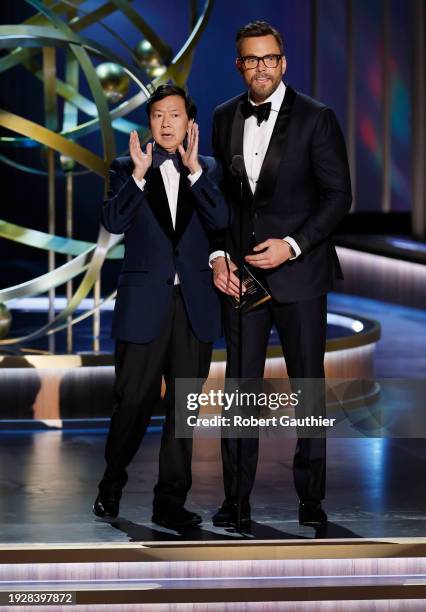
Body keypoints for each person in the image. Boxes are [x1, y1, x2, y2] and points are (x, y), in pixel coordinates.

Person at [210, 21, 352, 528]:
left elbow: (339, 197)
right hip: (244, 278)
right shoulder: (225, 116)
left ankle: (311, 498)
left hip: (301, 274)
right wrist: (218, 257)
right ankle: (236, 500)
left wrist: (292, 245)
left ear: (283, 63)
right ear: (239, 65)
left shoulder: (317, 118)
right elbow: (225, 203)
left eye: (270, 58)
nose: (262, 67)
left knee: (307, 389)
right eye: (252, 59)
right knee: (240, 393)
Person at [93, 84, 229, 529]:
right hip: (143, 305)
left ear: (190, 123)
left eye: (174, 115)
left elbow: (222, 222)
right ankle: (111, 483)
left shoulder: (208, 168)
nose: (166, 123)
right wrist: (136, 175)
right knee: (132, 402)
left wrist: (193, 173)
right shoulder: (125, 167)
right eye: (158, 116)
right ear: (148, 123)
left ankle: (169, 503)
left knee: (183, 411)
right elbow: (112, 223)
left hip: (194, 304)